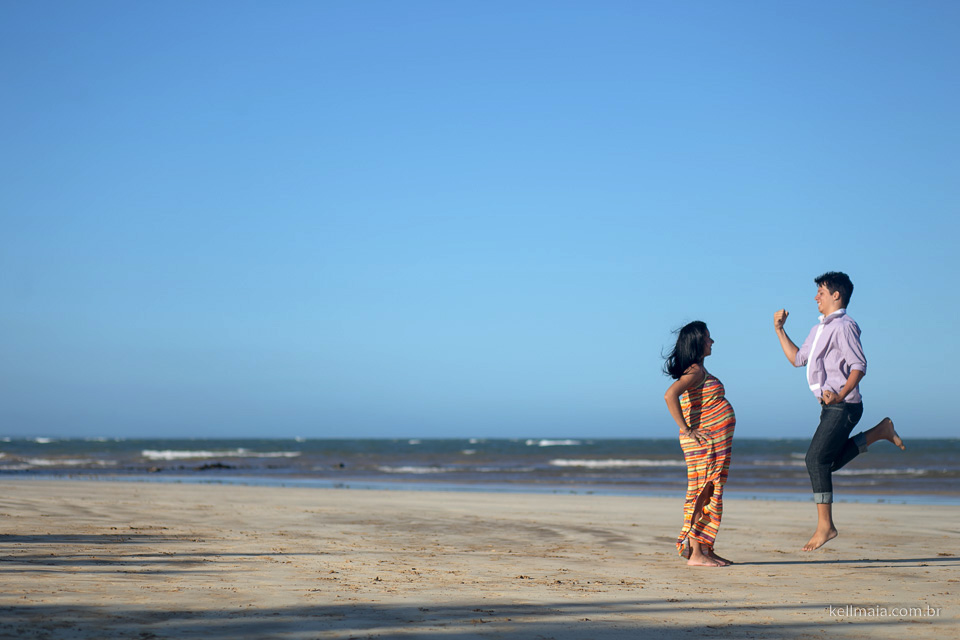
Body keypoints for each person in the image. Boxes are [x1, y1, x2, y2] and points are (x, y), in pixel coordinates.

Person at [774, 271, 905, 551]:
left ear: (837, 295)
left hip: (844, 405)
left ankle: (826, 526)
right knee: (826, 464)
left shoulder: (845, 325)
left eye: (821, 292)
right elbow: (798, 359)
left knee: (814, 461)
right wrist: (779, 330)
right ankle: (880, 431)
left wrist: (840, 395)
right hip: (830, 406)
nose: (815, 297)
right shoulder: (818, 328)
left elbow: (859, 365)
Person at [663, 321, 736, 567]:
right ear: (697, 342)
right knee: (701, 495)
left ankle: (705, 549)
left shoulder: (698, 370)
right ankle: (695, 553)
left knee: (710, 493)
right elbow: (669, 395)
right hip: (702, 445)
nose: (712, 341)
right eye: (708, 337)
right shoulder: (694, 371)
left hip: (712, 445)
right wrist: (686, 429)